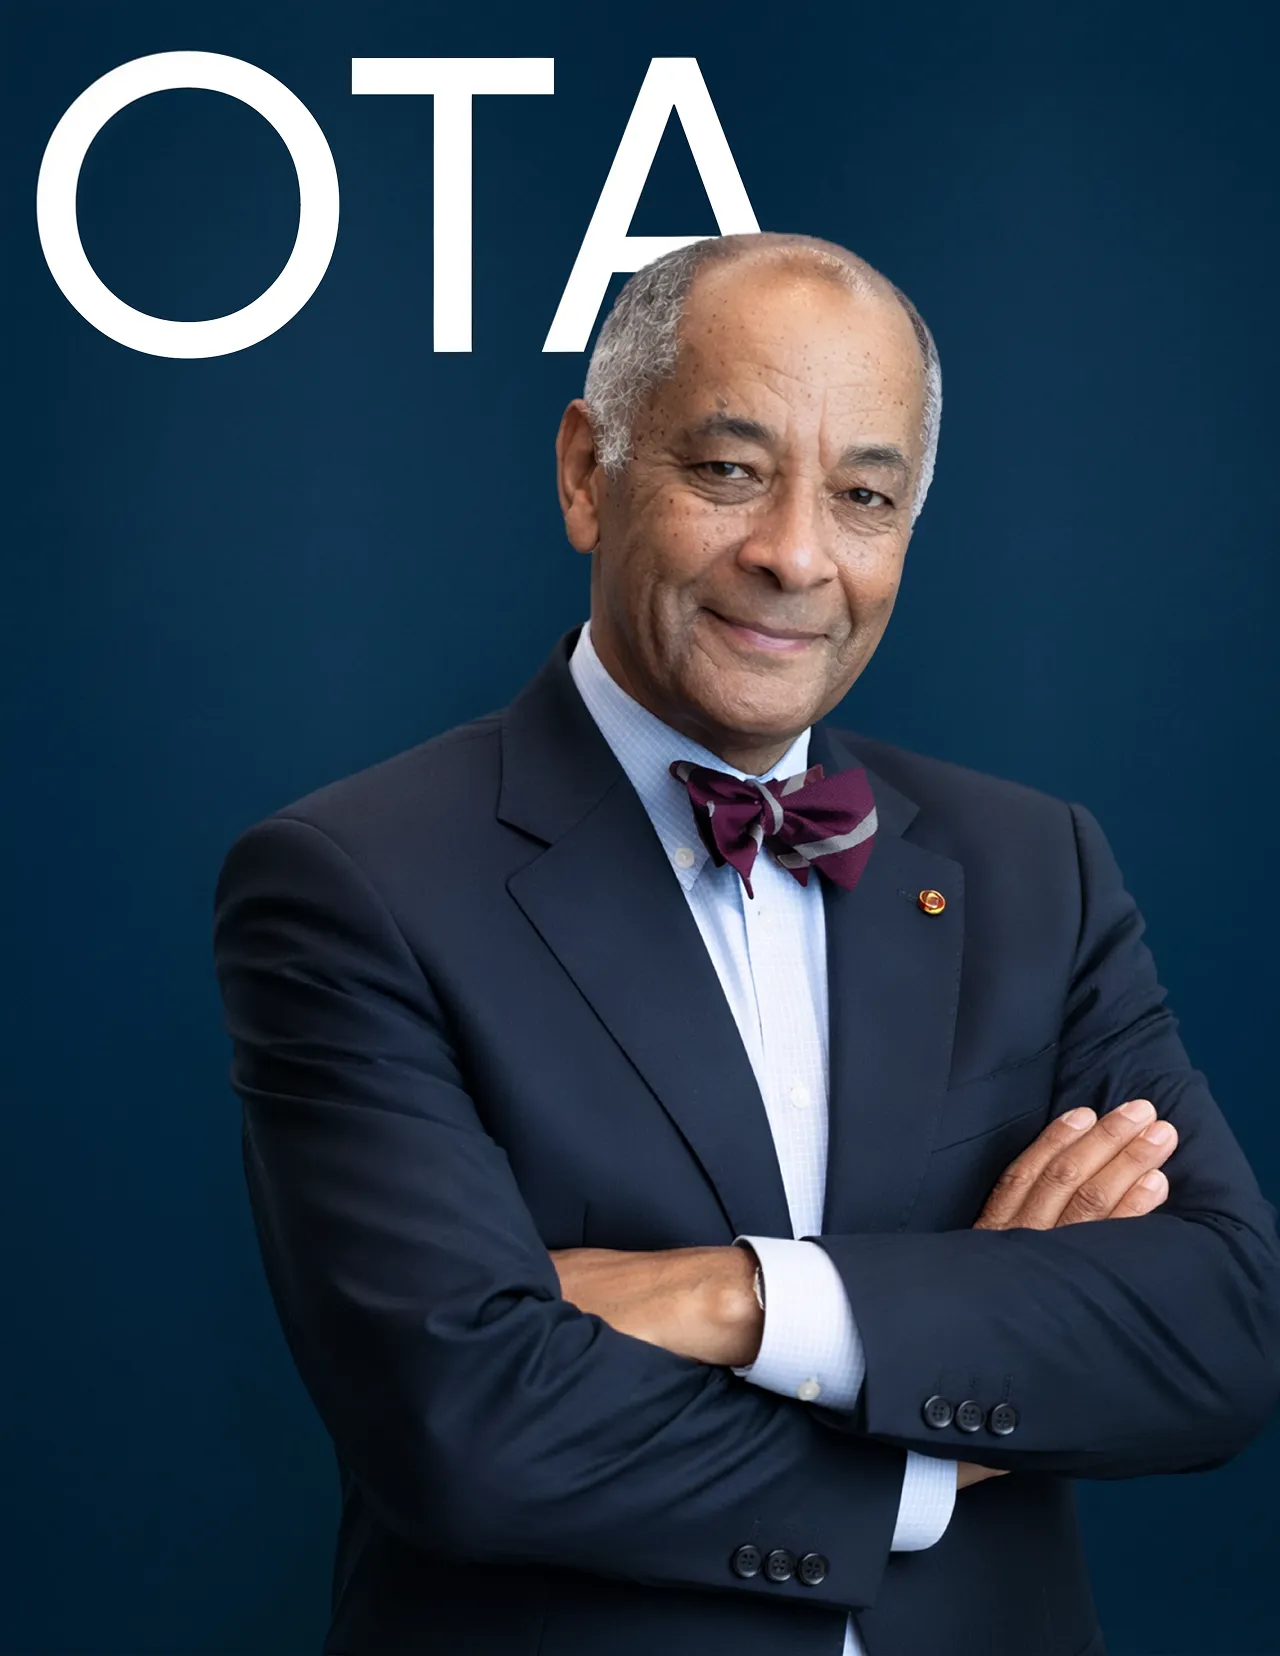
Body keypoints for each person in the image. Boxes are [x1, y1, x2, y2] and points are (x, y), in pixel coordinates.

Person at [212, 232, 1280, 1656]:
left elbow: (1216, 1330)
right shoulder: (351, 882)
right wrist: (939, 1422)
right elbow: (464, 1427)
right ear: (591, 474)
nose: (794, 553)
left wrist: (740, 1295)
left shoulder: (1040, 868)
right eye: (728, 470)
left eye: (864, 496)